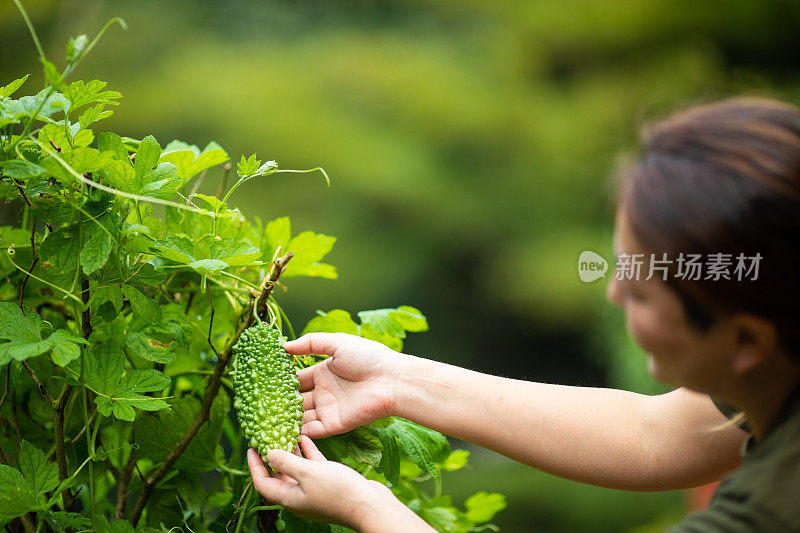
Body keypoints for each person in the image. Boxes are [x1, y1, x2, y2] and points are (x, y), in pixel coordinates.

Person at [246, 97, 800, 532]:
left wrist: (367, 507)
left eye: (640, 290)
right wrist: (397, 381)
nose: (612, 293)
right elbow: (653, 437)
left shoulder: (774, 509)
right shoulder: (778, 366)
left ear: (746, 340)